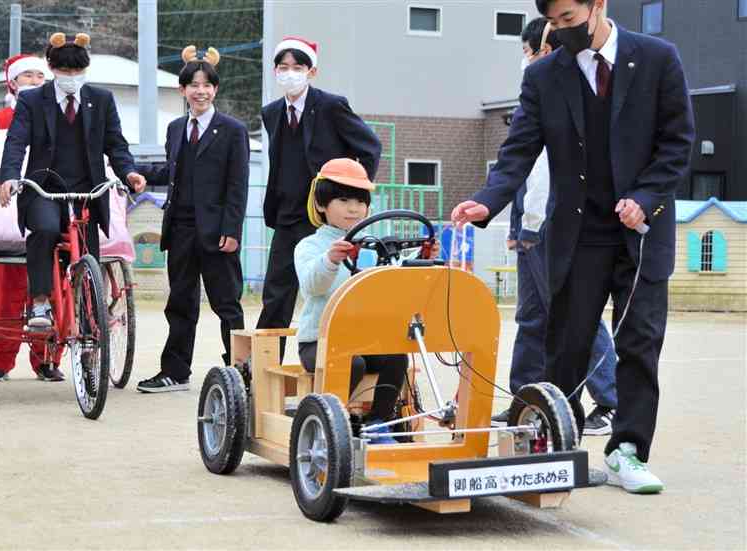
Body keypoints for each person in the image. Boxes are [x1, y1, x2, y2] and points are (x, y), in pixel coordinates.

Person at [452, 0, 694, 493]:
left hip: (641, 230)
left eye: (569, 20)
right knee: (566, 343)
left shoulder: (657, 59)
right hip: (578, 234)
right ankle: (558, 445)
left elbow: (678, 142)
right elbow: (518, 150)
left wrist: (645, 198)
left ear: (597, 6)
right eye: (555, 24)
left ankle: (627, 450)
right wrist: (486, 201)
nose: (562, 32)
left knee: (639, 342)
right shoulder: (545, 78)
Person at [492, 16, 618, 436]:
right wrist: (515, 223)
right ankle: (524, 399)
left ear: (549, 49)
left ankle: (610, 399)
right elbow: (520, 166)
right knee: (530, 318)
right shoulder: (534, 95)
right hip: (531, 225)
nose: (527, 61)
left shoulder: (575, 91)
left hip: (558, 225)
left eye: (531, 52)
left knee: (576, 315)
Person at [0, 33, 146, 343]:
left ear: (86, 69)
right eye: (64, 71)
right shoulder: (32, 100)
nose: (70, 78)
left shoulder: (102, 100)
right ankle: (40, 304)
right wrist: (10, 177)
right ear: (51, 67)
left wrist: (129, 172)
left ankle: (90, 310)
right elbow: (16, 142)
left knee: (87, 248)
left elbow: (115, 144)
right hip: (44, 187)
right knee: (45, 229)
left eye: (77, 72)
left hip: (86, 189)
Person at [256, 37, 382, 361]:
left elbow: (370, 147)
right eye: (283, 68)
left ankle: (343, 357)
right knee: (277, 295)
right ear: (275, 72)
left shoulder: (330, 105)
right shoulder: (271, 113)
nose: (290, 74)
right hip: (287, 213)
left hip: (327, 217)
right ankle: (264, 371)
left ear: (312, 71)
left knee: (336, 286)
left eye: (297, 67)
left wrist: (353, 193)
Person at [136, 46, 248, 393]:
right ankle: (175, 371)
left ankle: (242, 372)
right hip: (181, 229)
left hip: (217, 233)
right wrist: (136, 174)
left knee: (227, 305)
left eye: (207, 85)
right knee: (180, 303)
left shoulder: (232, 130)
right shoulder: (174, 129)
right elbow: (172, 171)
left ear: (216, 89)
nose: (201, 91)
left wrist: (232, 230)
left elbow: (237, 185)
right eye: (193, 84)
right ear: (182, 90)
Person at [295, 158, 427, 444]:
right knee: (350, 363)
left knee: (396, 356)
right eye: (343, 200)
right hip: (319, 340)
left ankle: (377, 423)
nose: (353, 208)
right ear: (321, 204)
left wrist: (423, 258)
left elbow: (395, 273)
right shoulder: (309, 246)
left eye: (359, 201)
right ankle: (333, 426)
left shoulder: (371, 246)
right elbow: (312, 286)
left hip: (364, 339)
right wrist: (330, 260)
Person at [0, 53, 55, 382]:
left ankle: (46, 360)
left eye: (40, 77)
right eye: (28, 76)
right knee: (6, 294)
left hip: (44, 205)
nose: (35, 82)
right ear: (13, 82)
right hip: (2, 210)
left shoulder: (56, 115)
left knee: (49, 290)